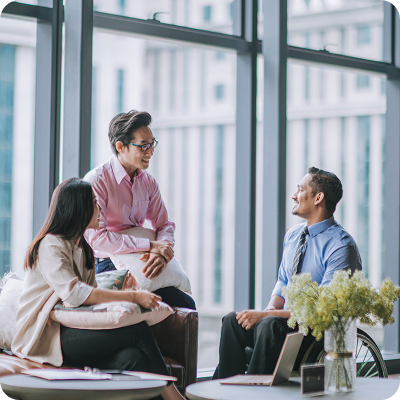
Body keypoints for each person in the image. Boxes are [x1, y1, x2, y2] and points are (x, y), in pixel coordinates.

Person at [11, 178, 185, 400]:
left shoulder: (83, 248)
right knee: (138, 331)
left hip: (68, 330)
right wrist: (133, 296)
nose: (100, 207)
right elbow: (75, 295)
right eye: (94, 202)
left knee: (134, 358)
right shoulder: (50, 244)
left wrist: (126, 291)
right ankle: (175, 398)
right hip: (45, 337)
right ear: (78, 207)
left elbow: (90, 299)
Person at [213, 167, 362, 379]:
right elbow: (284, 282)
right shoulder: (293, 235)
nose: (294, 195)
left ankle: (254, 396)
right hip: (283, 324)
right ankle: (225, 390)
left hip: (315, 334)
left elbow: (321, 312)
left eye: (300, 189)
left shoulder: (341, 247)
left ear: (318, 197)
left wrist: (266, 316)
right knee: (232, 321)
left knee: (269, 324)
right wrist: (270, 309)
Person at [84, 110, 195, 310]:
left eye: (153, 144)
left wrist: (162, 252)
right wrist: (149, 245)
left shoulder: (148, 181)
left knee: (186, 305)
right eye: (144, 145)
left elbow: (164, 225)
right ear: (120, 147)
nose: (150, 152)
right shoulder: (97, 181)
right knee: (138, 311)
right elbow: (96, 238)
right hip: (106, 264)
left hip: (140, 260)